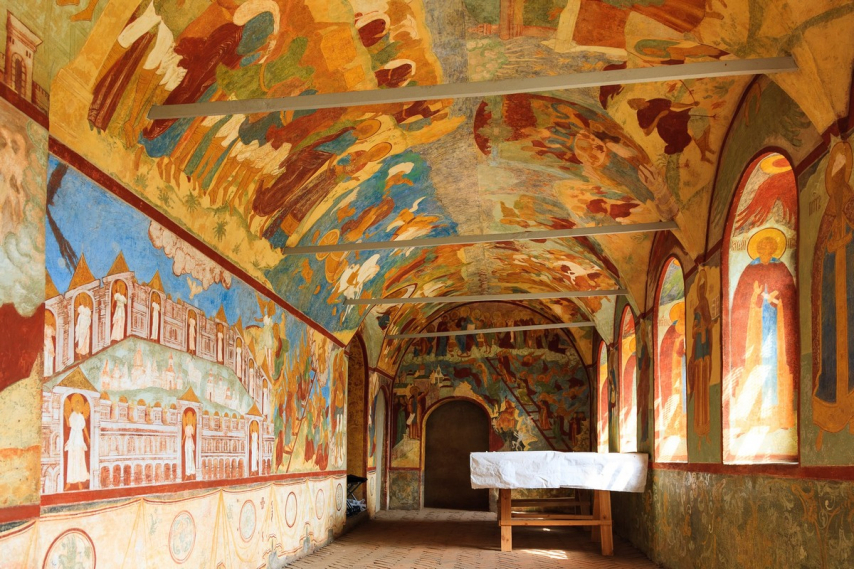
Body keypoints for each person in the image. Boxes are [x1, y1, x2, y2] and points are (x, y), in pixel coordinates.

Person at [731, 228, 796, 431]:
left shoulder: (781, 267)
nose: (766, 249)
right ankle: (753, 415)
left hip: (776, 328)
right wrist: (756, 295)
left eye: (770, 246)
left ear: (774, 247)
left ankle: (777, 415)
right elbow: (742, 300)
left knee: (774, 364)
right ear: (758, 248)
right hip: (756, 327)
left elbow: (790, 297)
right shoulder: (750, 270)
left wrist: (778, 298)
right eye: (763, 246)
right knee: (756, 363)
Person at [65, 396, 90, 490]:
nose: (78, 407)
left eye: (79, 405)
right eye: (76, 405)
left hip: (79, 439)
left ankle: (79, 481)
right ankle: (69, 482)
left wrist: (88, 438)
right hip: (73, 439)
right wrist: (66, 415)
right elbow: (69, 424)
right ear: (74, 406)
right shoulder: (72, 415)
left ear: (81, 407)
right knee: (72, 460)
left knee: (79, 460)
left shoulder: (81, 417)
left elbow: (84, 428)